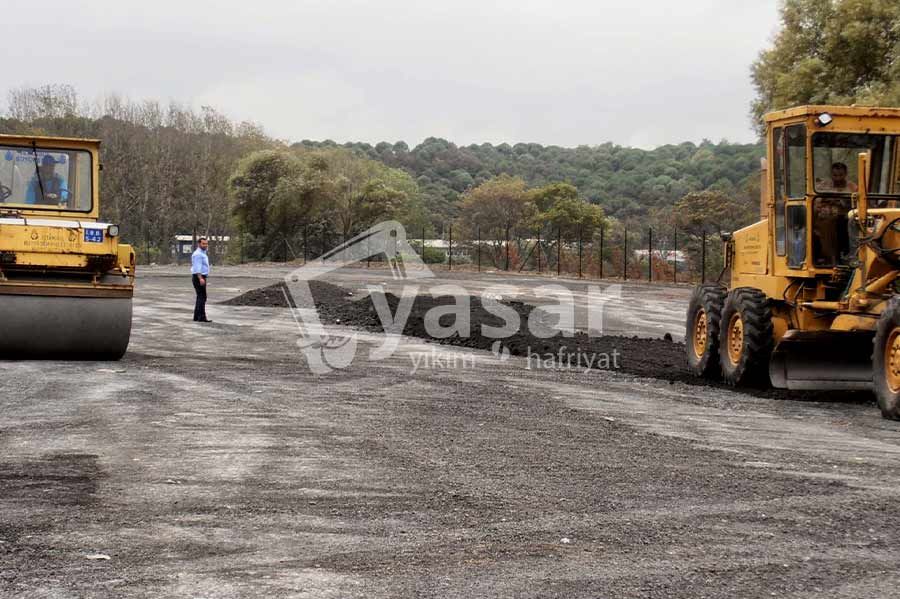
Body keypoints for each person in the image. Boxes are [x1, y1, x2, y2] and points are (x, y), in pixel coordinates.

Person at [191, 237, 212, 323]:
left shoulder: (203, 253)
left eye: (206, 244)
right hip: (199, 277)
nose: (205, 245)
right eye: (203, 244)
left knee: (200, 296)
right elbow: (197, 268)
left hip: (201, 276)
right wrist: (200, 278)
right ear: (199, 244)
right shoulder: (198, 254)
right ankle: (201, 317)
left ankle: (197, 316)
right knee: (202, 297)